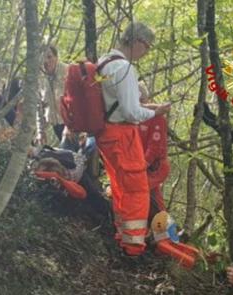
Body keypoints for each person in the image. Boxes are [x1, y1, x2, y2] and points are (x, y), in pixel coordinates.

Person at [95, 22, 171, 256]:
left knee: (119, 185)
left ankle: (122, 233)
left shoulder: (103, 62)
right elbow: (131, 112)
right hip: (122, 135)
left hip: (105, 133)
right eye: (147, 47)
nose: (146, 52)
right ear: (137, 41)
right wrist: (155, 112)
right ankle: (133, 246)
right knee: (137, 190)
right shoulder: (124, 68)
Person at [138, 82, 171, 223]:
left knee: (139, 190)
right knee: (154, 195)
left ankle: (158, 227)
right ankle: (165, 227)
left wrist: (142, 165)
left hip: (156, 167)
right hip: (145, 166)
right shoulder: (134, 116)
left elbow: (154, 147)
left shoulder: (157, 118)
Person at [37, 45, 68, 146]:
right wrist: (40, 131)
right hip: (55, 124)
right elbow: (39, 105)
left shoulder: (68, 72)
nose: (46, 61)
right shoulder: (40, 77)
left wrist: (70, 127)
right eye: (42, 58)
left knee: (77, 157)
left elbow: (78, 102)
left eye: (49, 57)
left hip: (72, 125)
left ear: (56, 57)